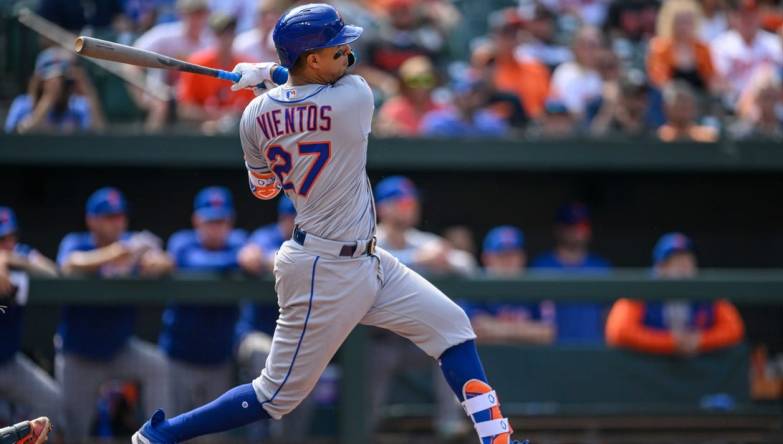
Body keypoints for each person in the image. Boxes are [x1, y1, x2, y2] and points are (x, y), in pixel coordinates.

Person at [133, 4, 525, 444]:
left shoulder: (251, 118)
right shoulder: (355, 97)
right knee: (275, 396)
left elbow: (264, 190)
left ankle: (498, 439)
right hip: (323, 267)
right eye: (337, 49)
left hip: (367, 258)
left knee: (453, 327)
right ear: (312, 58)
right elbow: (318, 91)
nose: (348, 55)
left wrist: (269, 88)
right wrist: (272, 75)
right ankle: (160, 436)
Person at [57, 187, 172, 442]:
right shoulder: (77, 242)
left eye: (120, 216)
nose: (117, 222)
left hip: (120, 349)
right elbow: (68, 264)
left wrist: (157, 264)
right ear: (92, 220)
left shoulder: (133, 243)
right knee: (75, 430)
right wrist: (115, 254)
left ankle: (156, 437)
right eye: (109, 217)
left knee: (157, 366)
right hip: (80, 354)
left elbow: (165, 259)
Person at [371, 176, 476, 439]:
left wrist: (445, 260)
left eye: (412, 201)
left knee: (450, 344)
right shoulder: (368, 238)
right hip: (375, 340)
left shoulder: (422, 241)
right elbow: (364, 264)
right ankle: (362, 432)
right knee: (374, 365)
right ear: (383, 208)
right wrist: (416, 260)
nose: (411, 206)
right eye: (403, 202)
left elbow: (468, 264)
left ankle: (448, 424)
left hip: (416, 341)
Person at [159, 187, 246, 417]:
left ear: (230, 221)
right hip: (179, 358)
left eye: (220, 221)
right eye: (210, 221)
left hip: (219, 360)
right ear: (197, 220)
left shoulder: (238, 242)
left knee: (216, 435)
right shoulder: (182, 242)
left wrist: (240, 258)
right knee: (173, 428)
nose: (215, 228)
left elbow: (252, 255)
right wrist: (233, 262)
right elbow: (193, 262)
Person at [236, 197, 316, 442]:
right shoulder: (266, 236)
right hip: (257, 334)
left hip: (298, 336)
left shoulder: (318, 240)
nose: (294, 223)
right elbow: (250, 257)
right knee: (265, 360)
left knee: (311, 370)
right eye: (290, 218)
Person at [606, 233, 745, 356]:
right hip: (649, 372)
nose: (683, 268)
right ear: (659, 267)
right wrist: (670, 343)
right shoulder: (642, 290)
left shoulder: (706, 291)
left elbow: (734, 329)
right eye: (674, 262)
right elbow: (618, 331)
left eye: (687, 261)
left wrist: (700, 340)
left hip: (698, 374)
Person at [0, 208, 62, 435]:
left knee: (51, 400)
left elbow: (53, 273)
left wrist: (10, 259)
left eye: (10, 237)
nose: (7, 243)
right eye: (0, 239)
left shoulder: (19, 254)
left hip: (9, 361)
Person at [462, 226, 556, 345]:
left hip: (527, 361)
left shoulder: (534, 287)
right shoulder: (474, 287)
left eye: (513, 254)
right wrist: (525, 330)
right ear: (486, 258)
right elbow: (473, 330)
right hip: (489, 360)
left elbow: (547, 333)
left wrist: (496, 328)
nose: (508, 261)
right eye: (502, 255)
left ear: (522, 257)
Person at [532, 203, 610, 345]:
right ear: (559, 229)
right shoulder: (542, 265)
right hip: (552, 352)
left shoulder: (601, 267)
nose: (577, 231)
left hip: (593, 350)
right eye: (571, 226)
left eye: (582, 225)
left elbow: (608, 317)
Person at [132, 0, 214, 131]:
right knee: (161, 105)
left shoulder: (210, 42)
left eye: (201, 14)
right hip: (160, 96)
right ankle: (148, 148)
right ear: (182, 14)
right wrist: (142, 97)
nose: (197, 19)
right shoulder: (163, 35)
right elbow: (131, 64)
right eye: (192, 14)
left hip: (192, 101)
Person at [177, 13, 255, 134]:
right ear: (213, 35)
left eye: (230, 32)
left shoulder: (249, 66)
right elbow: (185, 109)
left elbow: (256, 108)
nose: (226, 38)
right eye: (221, 33)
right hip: (202, 133)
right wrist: (215, 119)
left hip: (241, 132)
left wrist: (232, 118)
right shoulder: (197, 64)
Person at [5, 47, 104, 134]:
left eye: (63, 80)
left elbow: (99, 132)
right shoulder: (22, 105)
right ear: (41, 81)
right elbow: (17, 136)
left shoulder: (77, 106)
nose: (60, 86)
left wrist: (89, 93)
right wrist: (48, 100)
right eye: (54, 80)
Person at [711, 0, 783, 102]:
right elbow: (719, 82)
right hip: (734, 103)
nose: (748, 20)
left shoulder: (774, 43)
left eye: (752, 15)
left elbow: (781, 76)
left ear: (759, 16)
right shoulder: (721, 45)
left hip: (769, 101)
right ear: (734, 17)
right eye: (744, 15)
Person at [648, 0, 719, 93]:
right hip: (670, 102)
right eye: (680, 22)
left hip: (701, 101)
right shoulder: (660, 49)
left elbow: (711, 79)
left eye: (688, 21)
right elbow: (658, 81)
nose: (684, 27)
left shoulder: (703, 49)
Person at [421, 73, 509, 138]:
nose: (475, 96)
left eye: (477, 91)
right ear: (456, 94)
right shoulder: (438, 123)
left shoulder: (492, 124)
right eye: (470, 92)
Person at [374, 55, 442, 137]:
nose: (421, 86)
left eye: (426, 80)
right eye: (414, 81)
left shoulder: (441, 109)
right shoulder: (393, 109)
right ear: (404, 83)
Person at [549, 26, 604, 119]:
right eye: (584, 45)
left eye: (593, 45)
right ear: (575, 47)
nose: (589, 50)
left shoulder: (601, 74)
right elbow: (568, 110)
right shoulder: (565, 72)